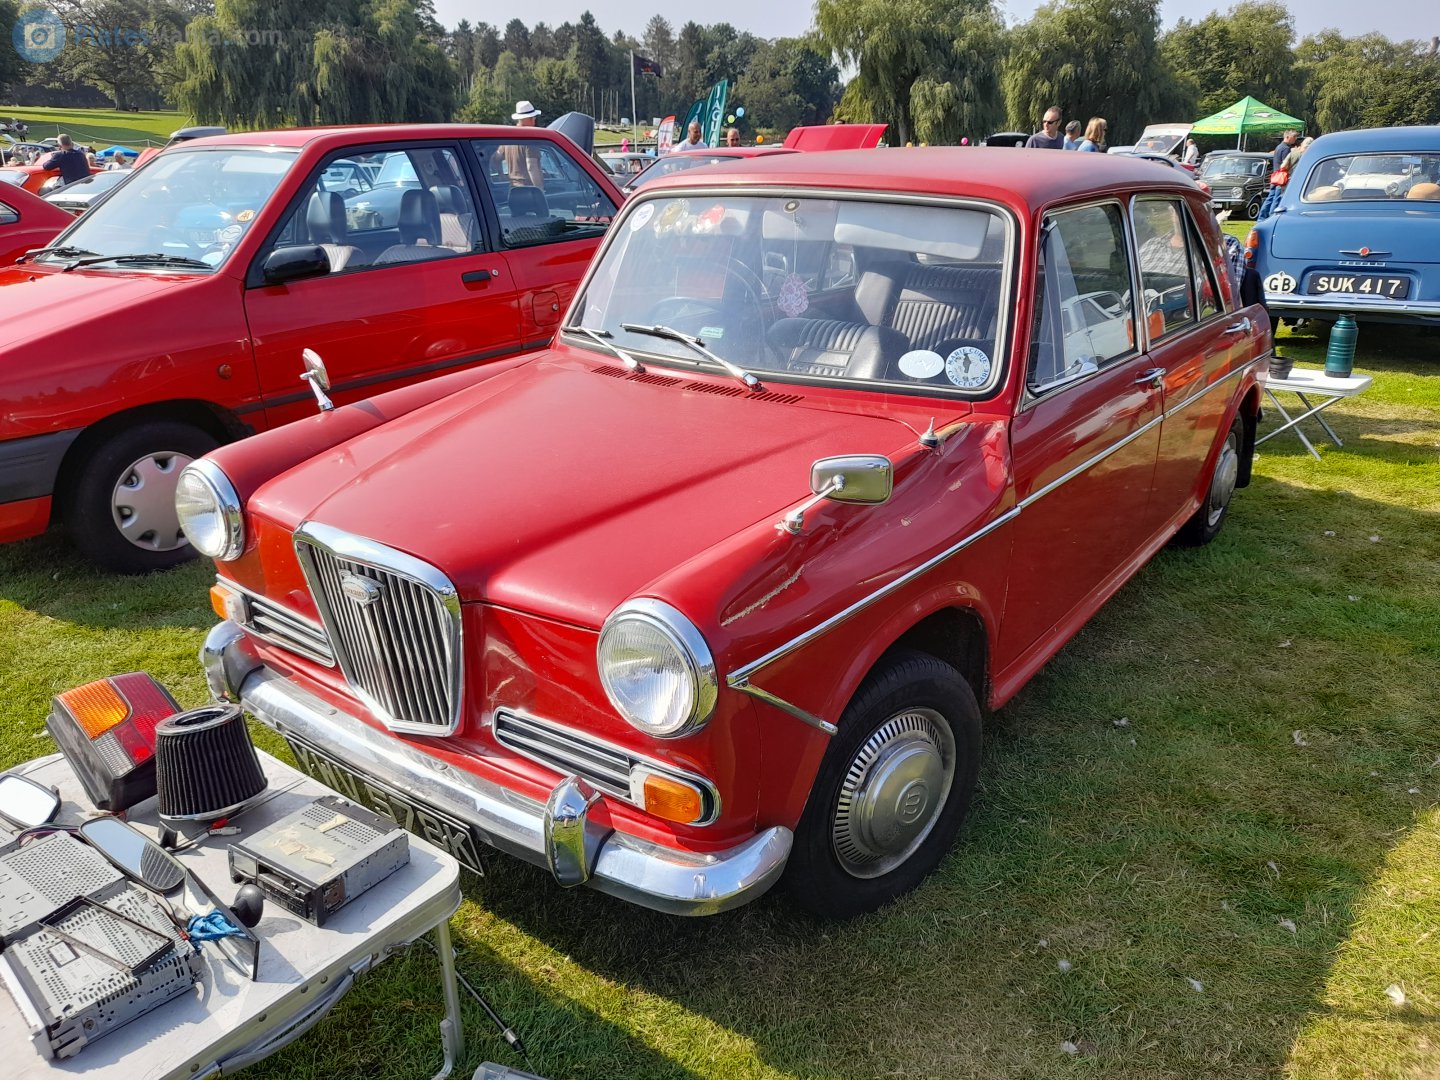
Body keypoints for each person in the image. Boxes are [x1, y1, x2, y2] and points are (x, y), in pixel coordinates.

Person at [504, 100, 544, 190]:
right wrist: (539, 190)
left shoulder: (507, 139)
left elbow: (495, 158)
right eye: (532, 118)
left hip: (512, 190)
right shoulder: (530, 140)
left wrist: (501, 175)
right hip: (528, 190)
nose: (534, 120)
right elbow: (531, 166)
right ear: (527, 119)